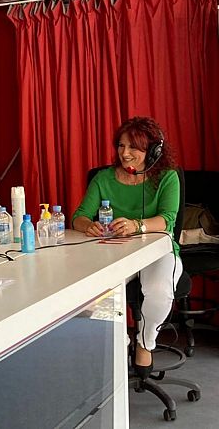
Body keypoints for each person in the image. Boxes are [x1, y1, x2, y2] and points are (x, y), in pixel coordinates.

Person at [72, 116, 182, 379]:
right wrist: (89, 225)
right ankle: (118, 343)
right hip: (115, 251)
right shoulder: (103, 178)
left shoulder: (167, 178)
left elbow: (168, 220)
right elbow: (79, 216)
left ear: (153, 151)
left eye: (134, 147)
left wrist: (137, 225)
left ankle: (146, 341)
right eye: (121, 146)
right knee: (100, 292)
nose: (125, 153)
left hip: (158, 251)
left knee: (158, 290)